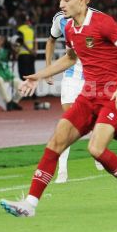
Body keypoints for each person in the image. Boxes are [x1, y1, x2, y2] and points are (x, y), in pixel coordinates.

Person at [0, 0, 117, 217]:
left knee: (96, 149)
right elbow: (71, 58)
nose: (61, 4)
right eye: (59, 0)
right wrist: (38, 76)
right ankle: (30, 204)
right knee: (55, 142)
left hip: (113, 95)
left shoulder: (103, 22)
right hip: (88, 95)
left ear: (84, 0)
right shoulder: (69, 27)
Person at [46, 12, 104, 183]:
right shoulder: (59, 19)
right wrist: (48, 68)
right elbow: (51, 41)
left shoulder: (95, 18)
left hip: (92, 77)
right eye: (61, 0)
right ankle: (62, 171)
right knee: (69, 121)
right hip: (71, 77)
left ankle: (96, 150)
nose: (63, 4)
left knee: (93, 119)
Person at [0, 33, 23, 111]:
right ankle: (8, 102)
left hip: (6, 74)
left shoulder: (6, 50)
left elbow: (15, 55)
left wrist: (17, 46)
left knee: (22, 85)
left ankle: (14, 102)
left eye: (0, 38)